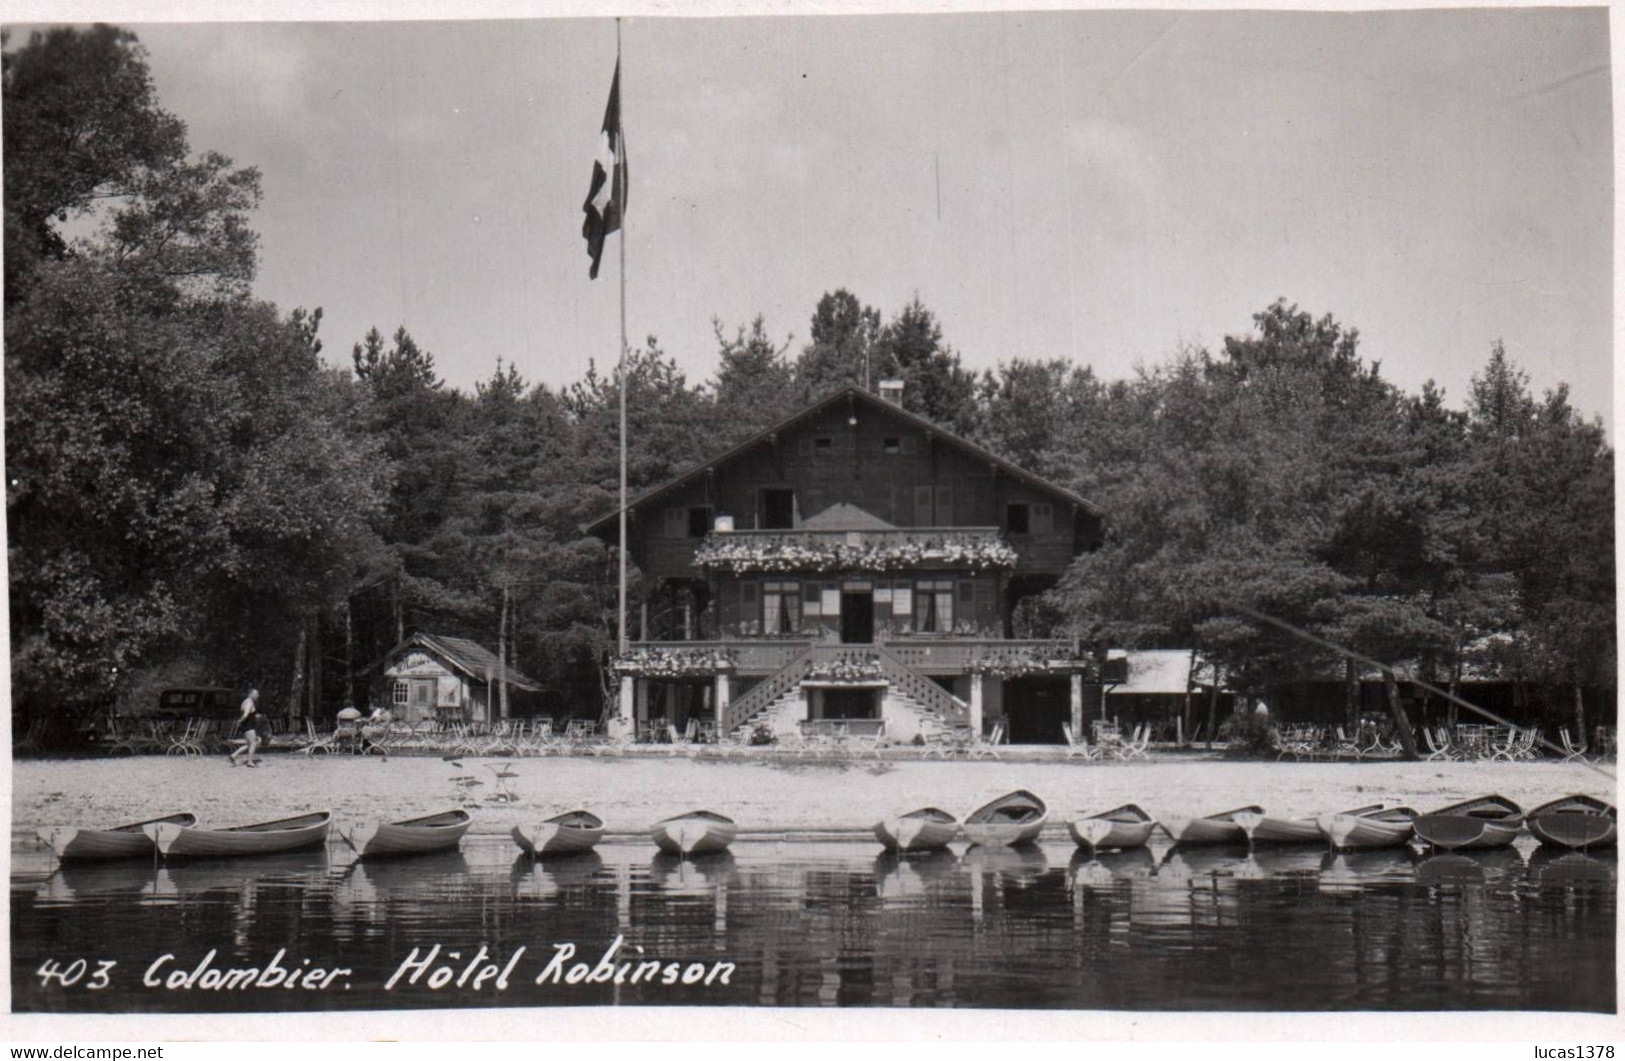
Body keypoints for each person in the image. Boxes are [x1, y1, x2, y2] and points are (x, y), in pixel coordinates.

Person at [229, 688, 262, 767]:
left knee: (249, 744)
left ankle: (234, 755)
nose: (258, 695)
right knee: (254, 743)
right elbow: (246, 714)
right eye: (256, 694)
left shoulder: (246, 701)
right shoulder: (249, 702)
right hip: (248, 726)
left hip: (246, 725)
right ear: (251, 694)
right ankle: (250, 762)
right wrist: (240, 721)